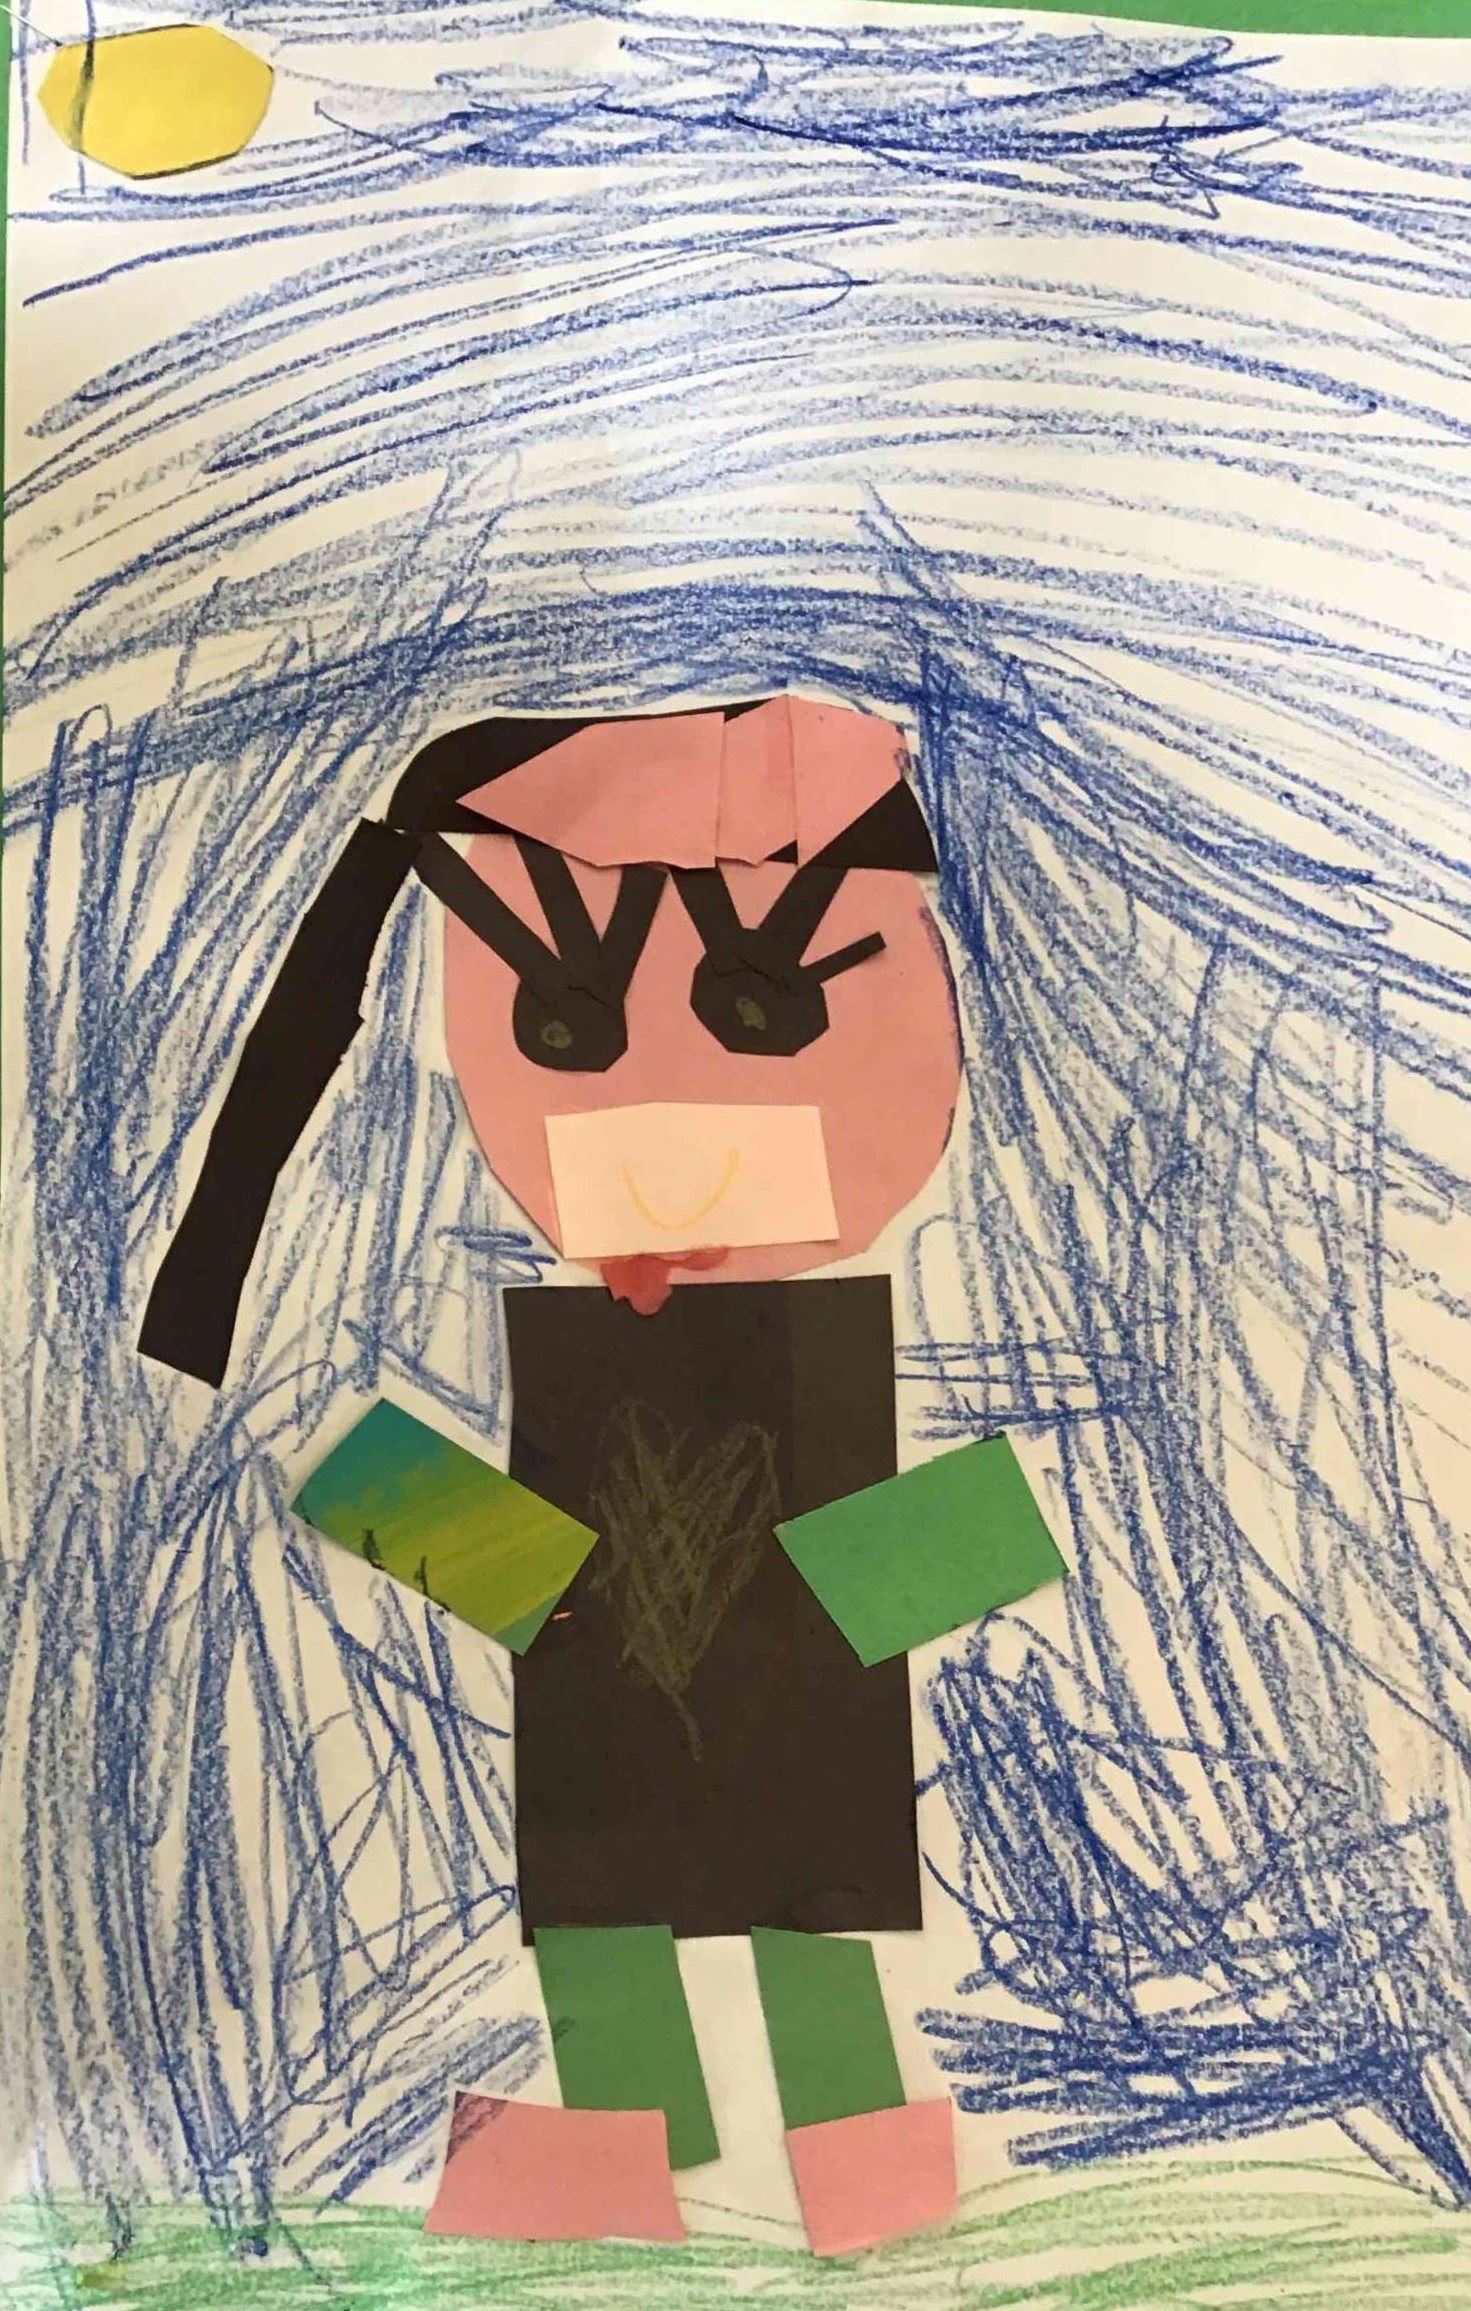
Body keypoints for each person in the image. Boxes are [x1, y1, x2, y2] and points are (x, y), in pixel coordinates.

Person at [141, 693, 968, 2251]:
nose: (668, 1121)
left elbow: (927, 1519)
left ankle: (868, 2176)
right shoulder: (581, 1344)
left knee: (804, 1920)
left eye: (770, 1013)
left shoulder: (825, 1350)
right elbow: (564, 1556)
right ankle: (638, 2170)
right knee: (612, 1922)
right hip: (620, 1697)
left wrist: (892, 1575)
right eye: (563, 1030)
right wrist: (398, 1504)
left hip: (781, 1693)